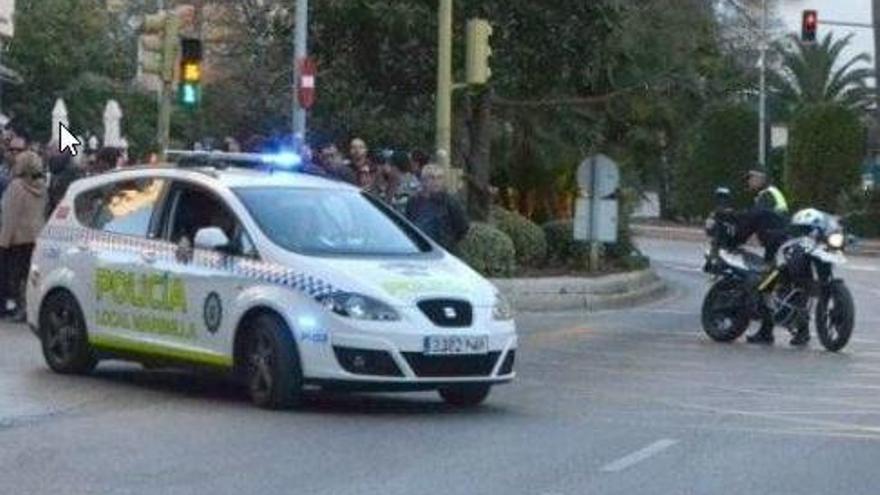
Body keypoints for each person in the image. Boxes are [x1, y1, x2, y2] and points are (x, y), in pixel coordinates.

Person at [738, 169, 805, 346]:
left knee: (766, 286)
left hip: (777, 247)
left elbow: (756, 218)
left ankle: (768, 332)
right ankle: (794, 331)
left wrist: (738, 237)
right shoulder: (772, 194)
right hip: (781, 245)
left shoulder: (766, 195)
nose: (749, 182)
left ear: (761, 178)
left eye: (751, 178)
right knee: (788, 288)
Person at [0, 151, 48, 321]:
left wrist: (3, 241)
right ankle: (30, 308)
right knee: (31, 275)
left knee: (16, 276)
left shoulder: (16, 186)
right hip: (36, 236)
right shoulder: (42, 186)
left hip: (18, 238)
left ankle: (21, 307)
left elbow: (9, 215)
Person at [405, 164, 470, 252]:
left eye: (439, 178)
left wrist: (449, 242)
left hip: (443, 250)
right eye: (432, 178)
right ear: (423, 180)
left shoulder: (450, 202)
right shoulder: (413, 201)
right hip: (419, 249)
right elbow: (409, 224)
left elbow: (463, 226)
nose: (436, 182)